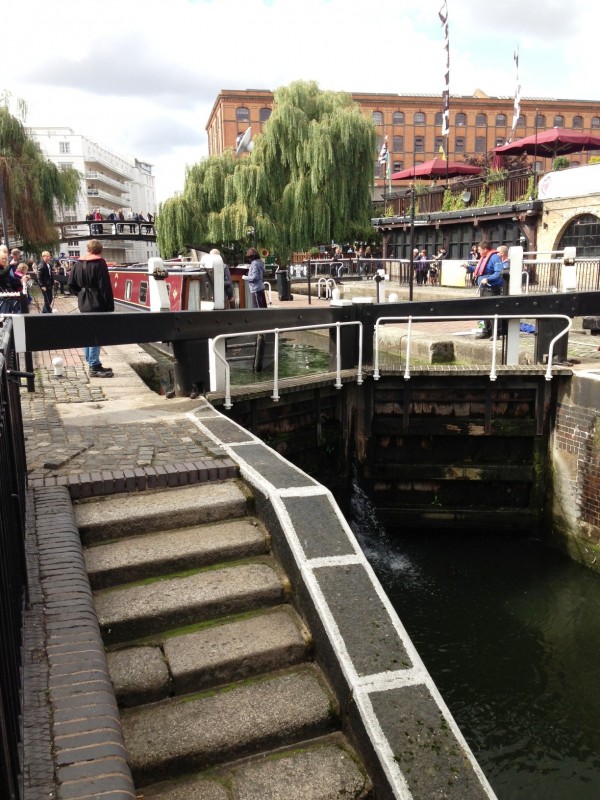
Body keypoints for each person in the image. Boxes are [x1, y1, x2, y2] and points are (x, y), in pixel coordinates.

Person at [68, 239, 115, 377]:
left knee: (87, 332)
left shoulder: (77, 264)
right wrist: (109, 306)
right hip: (97, 302)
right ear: (99, 251)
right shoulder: (99, 263)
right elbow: (105, 286)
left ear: (88, 250)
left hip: (83, 303)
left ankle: (91, 361)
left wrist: (81, 293)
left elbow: (71, 285)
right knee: (96, 333)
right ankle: (94, 365)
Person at [461, 240, 504, 339]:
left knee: (492, 311)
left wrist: (488, 279)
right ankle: (484, 331)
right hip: (483, 289)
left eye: (479, 250)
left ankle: (495, 333)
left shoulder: (495, 258)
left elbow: (498, 272)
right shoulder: (484, 257)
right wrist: (468, 267)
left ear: (485, 249)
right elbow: (479, 270)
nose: (478, 252)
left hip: (491, 289)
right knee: (482, 311)